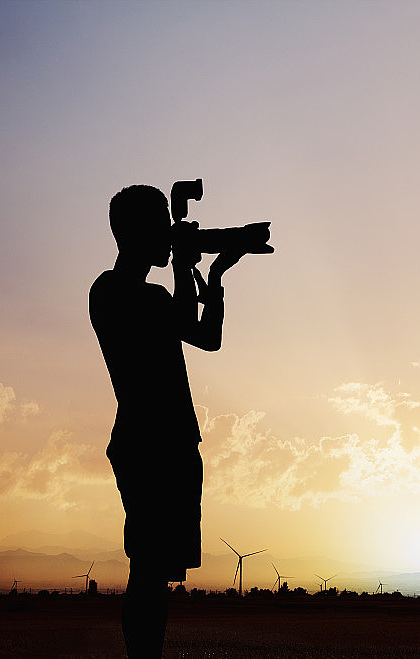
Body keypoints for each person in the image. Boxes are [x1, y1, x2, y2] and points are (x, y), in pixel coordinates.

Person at [89, 184, 243, 657]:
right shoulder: (113, 291)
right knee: (149, 570)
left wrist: (213, 276)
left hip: (172, 443)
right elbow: (180, 316)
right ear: (132, 232)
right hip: (147, 443)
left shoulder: (146, 294)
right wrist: (183, 265)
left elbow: (208, 337)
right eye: (161, 224)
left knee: (155, 573)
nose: (169, 234)